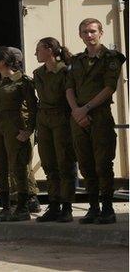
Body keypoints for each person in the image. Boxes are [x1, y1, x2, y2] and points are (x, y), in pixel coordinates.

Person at [66, 18, 127, 224]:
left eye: (92, 31)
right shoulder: (76, 61)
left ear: (101, 32)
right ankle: (93, 207)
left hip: (99, 116)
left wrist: (86, 109)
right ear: (80, 35)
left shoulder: (111, 58)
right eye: (84, 32)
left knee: (102, 164)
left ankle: (107, 208)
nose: (89, 35)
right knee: (86, 164)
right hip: (78, 118)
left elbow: (109, 88)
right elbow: (69, 88)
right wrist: (76, 111)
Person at [0, 46, 38, 222]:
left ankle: (22, 207)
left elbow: (33, 107)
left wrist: (29, 130)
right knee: (0, 166)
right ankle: (6, 206)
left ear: (3, 62)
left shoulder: (22, 82)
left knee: (18, 166)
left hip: (14, 126)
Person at [32, 36, 76, 222]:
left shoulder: (65, 71)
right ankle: (54, 204)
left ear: (50, 50)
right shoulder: (38, 73)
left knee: (65, 162)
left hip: (62, 118)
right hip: (44, 120)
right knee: (49, 163)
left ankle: (67, 206)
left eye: (39, 49)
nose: (36, 53)